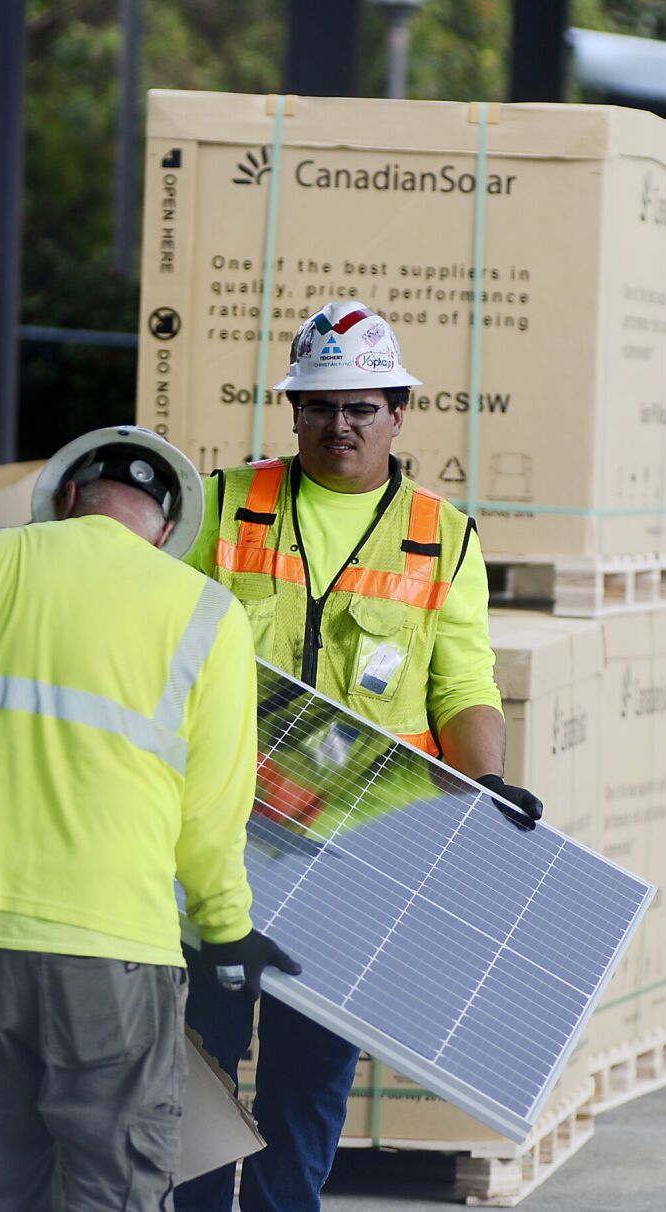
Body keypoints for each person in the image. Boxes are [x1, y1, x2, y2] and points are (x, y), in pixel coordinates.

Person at [0, 425, 300, 1212]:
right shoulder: (205, 612)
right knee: (113, 1180)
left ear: (68, 499)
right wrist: (226, 927)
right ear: (165, 529)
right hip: (112, 946)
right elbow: (212, 807)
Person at [176, 302, 543, 1212]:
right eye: (320, 405)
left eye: (361, 407)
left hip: (356, 856)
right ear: (293, 410)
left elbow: (462, 685)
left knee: (307, 1080)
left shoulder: (441, 537)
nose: (340, 424)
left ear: (397, 413)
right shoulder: (223, 505)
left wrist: (485, 782)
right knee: (195, 1056)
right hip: (221, 836)